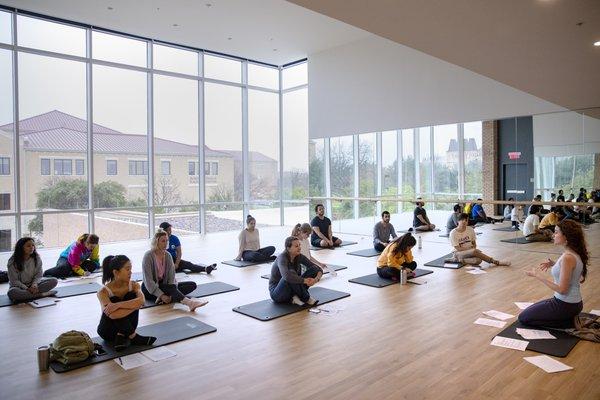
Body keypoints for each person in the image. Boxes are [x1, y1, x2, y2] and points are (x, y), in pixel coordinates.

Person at [519, 220, 588, 329]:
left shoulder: (567, 257)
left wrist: (537, 275)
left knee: (523, 318)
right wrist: (554, 264)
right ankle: (568, 318)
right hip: (571, 303)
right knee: (529, 312)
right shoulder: (573, 253)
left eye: (556, 232)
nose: (553, 235)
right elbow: (573, 272)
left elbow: (562, 290)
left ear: (566, 236)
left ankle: (568, 323)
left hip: (565, 305)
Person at [97, 255, 156, 351]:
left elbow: (142, 301)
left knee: (130, 296)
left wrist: (118, 305)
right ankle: (133, 337)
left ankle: (121, 335)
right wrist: (135, 305)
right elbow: (113, 315)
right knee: (115, 299)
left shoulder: (134, 285)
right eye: (127, 269)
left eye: (131, 269)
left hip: (130, 326)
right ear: (116, 272)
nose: (131, 272)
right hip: (108, 331)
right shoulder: (103, 292)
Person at [142, 229, 207, 311]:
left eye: (167, 241)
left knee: (192, 285)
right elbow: (149, 281)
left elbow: (171, 277)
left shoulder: (168, 255)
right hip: (149, 289)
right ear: (156, 242)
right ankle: (189, 303)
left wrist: (168, 294)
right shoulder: (148, 256)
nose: (165, 243)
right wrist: (161, 295)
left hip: (166, 286)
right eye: (163, 241)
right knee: (171, 288)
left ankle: (168, 298)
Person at [269, 236, 321, 306]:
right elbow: (287, 277)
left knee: (314, 269)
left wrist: (316, 279)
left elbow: (318, 269)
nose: (299, 248)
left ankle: (294, 297)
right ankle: (306, 298)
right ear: (288, 248)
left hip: (292, 288)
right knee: (291, 273)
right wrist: (305, 280)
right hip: (278, 293)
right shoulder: (282, 258)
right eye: (296, 246)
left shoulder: (299, 256)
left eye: (299, 245)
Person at [7, 237, 58, 302]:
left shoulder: (36, 257)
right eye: (28, 246)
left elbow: (39, 275)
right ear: (21, 248)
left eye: (33, 245)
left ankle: (27, 296)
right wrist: (27, 288)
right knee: (12, 293)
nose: (32, 247)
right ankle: (42, 294)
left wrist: (34, 285)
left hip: (33, 284)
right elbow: (14, 281)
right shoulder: (12, 261)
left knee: (54, 281)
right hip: (19, 286)